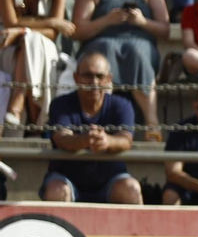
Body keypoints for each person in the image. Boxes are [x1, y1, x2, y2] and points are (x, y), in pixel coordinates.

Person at [73, 0, 166, 137]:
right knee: (105, 49)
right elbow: (78, 30)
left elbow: (165, 29)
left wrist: (142, 22)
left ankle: (152, 122)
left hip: (140, 42)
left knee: (138, 51)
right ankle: (100, 119)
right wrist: (107, 20)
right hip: (102, 42)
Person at [41, 52, 141, 204]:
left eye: (100, 76)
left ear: (109, 79)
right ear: (76, 78)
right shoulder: (60, 105)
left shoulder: (122, 105)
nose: (94, 82)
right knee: (56, 191)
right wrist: (86, 140)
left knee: (130, 189)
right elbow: (62, 139)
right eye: (87, 76)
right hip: (66, 179)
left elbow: (126, 140)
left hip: (111, 181)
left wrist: (107, 141)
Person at [1, 0, 73, 129]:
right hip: (7, 46)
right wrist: (50, 21)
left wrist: (22, 30)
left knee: (32, 44)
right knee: (30, 46)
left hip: (42, 48)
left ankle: (18, 104)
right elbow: (9, 23)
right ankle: (34, 123)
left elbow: (53, 34)